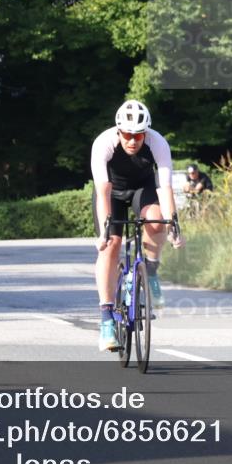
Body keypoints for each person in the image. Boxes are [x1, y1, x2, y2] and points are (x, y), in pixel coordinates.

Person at [91, 100, 184, 352]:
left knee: (156, 222)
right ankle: (106, 319)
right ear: (119, 131)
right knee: (111, 244)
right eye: (128, 135)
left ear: (146, 133)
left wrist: (174, 226)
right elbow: (102, 191)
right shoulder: (103, 143)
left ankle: (150, 271)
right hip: (111, 192)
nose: (133, 141)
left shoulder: (158, 143)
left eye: (139, 135)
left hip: (142, 189)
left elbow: (164, 188)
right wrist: (103, 233)